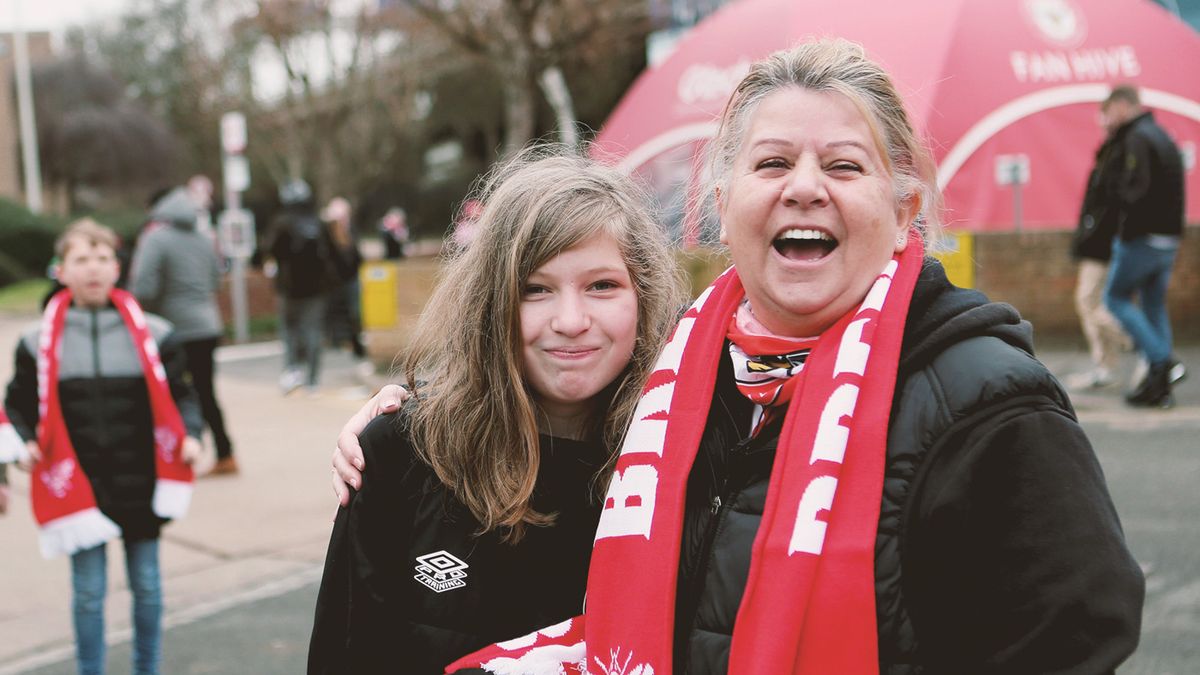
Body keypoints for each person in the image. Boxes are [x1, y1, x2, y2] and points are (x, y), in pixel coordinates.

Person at [336, 39, 1145, 674]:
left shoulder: (994, 408)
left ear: (904, 213)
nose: (803, 187)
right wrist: (410, 409)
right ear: (725, 209)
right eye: (771, 163)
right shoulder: (681, 398)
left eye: (842, 164)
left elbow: (1067, 641)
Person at [307, 148, 685, 674]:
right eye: (535, 290)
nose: (571, 320)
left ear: (643, 296)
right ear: (491, 303)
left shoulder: (687, 460)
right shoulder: (400, 456)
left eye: (602, 286)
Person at [4, 219, 202, 675]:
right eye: (80, 259)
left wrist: (191, 434)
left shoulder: (156, 333)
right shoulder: (36, 342)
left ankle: (146, 668)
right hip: (78, 482)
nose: (92, 268)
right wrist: (24, 443)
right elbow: (15, 406)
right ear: (61, 270)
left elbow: (183, 395)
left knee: (148, 585)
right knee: (90, 592)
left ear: (117, 266)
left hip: (142, 479)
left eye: (102, 258)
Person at [130, 186, 239, 475]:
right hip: (208, 325)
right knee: (205, 391)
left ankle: (171, 457)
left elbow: (143, 287)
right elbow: (216, 279)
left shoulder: (155, 238)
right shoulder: (205, 238)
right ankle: (225, 453)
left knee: (167, 394)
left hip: (172, 330)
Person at [1099, 84, 1188, 408]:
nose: (1105, 119)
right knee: (1152, 306)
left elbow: (1134, 191)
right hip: (1168, 238)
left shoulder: (1135, 138)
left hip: (1142, 237)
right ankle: (1159, 388)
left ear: (1122, 106)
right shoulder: (1161, 134)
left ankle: (1164, 362)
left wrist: (1123, 225)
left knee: (1115, 298)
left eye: (1107, 112)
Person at [1064, 124, 1132, 391]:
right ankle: (1107, 365)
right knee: (1093, 301)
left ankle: (1135, 340)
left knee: (1088, 299)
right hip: (1100, 241)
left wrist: (1090, 234)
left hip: (1101, 244)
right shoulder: (1111, 155)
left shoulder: (1116, 157)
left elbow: (1104, 206)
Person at [265, 179, 340, 395]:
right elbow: (333, 254)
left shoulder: (281, 223)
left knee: (289, 331)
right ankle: (313, 379)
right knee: (313, 331)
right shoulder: (319, 223)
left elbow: (269, 250)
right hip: (316, 290)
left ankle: (291, 371)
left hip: (288, 288)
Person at [321, 196, 372, 379]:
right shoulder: (329, 234)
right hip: (338, 281)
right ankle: (340, 340)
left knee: (354, 312)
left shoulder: (350, 232)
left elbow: (356, 256)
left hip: (349, 279)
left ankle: (354, 343)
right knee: (341, 311)